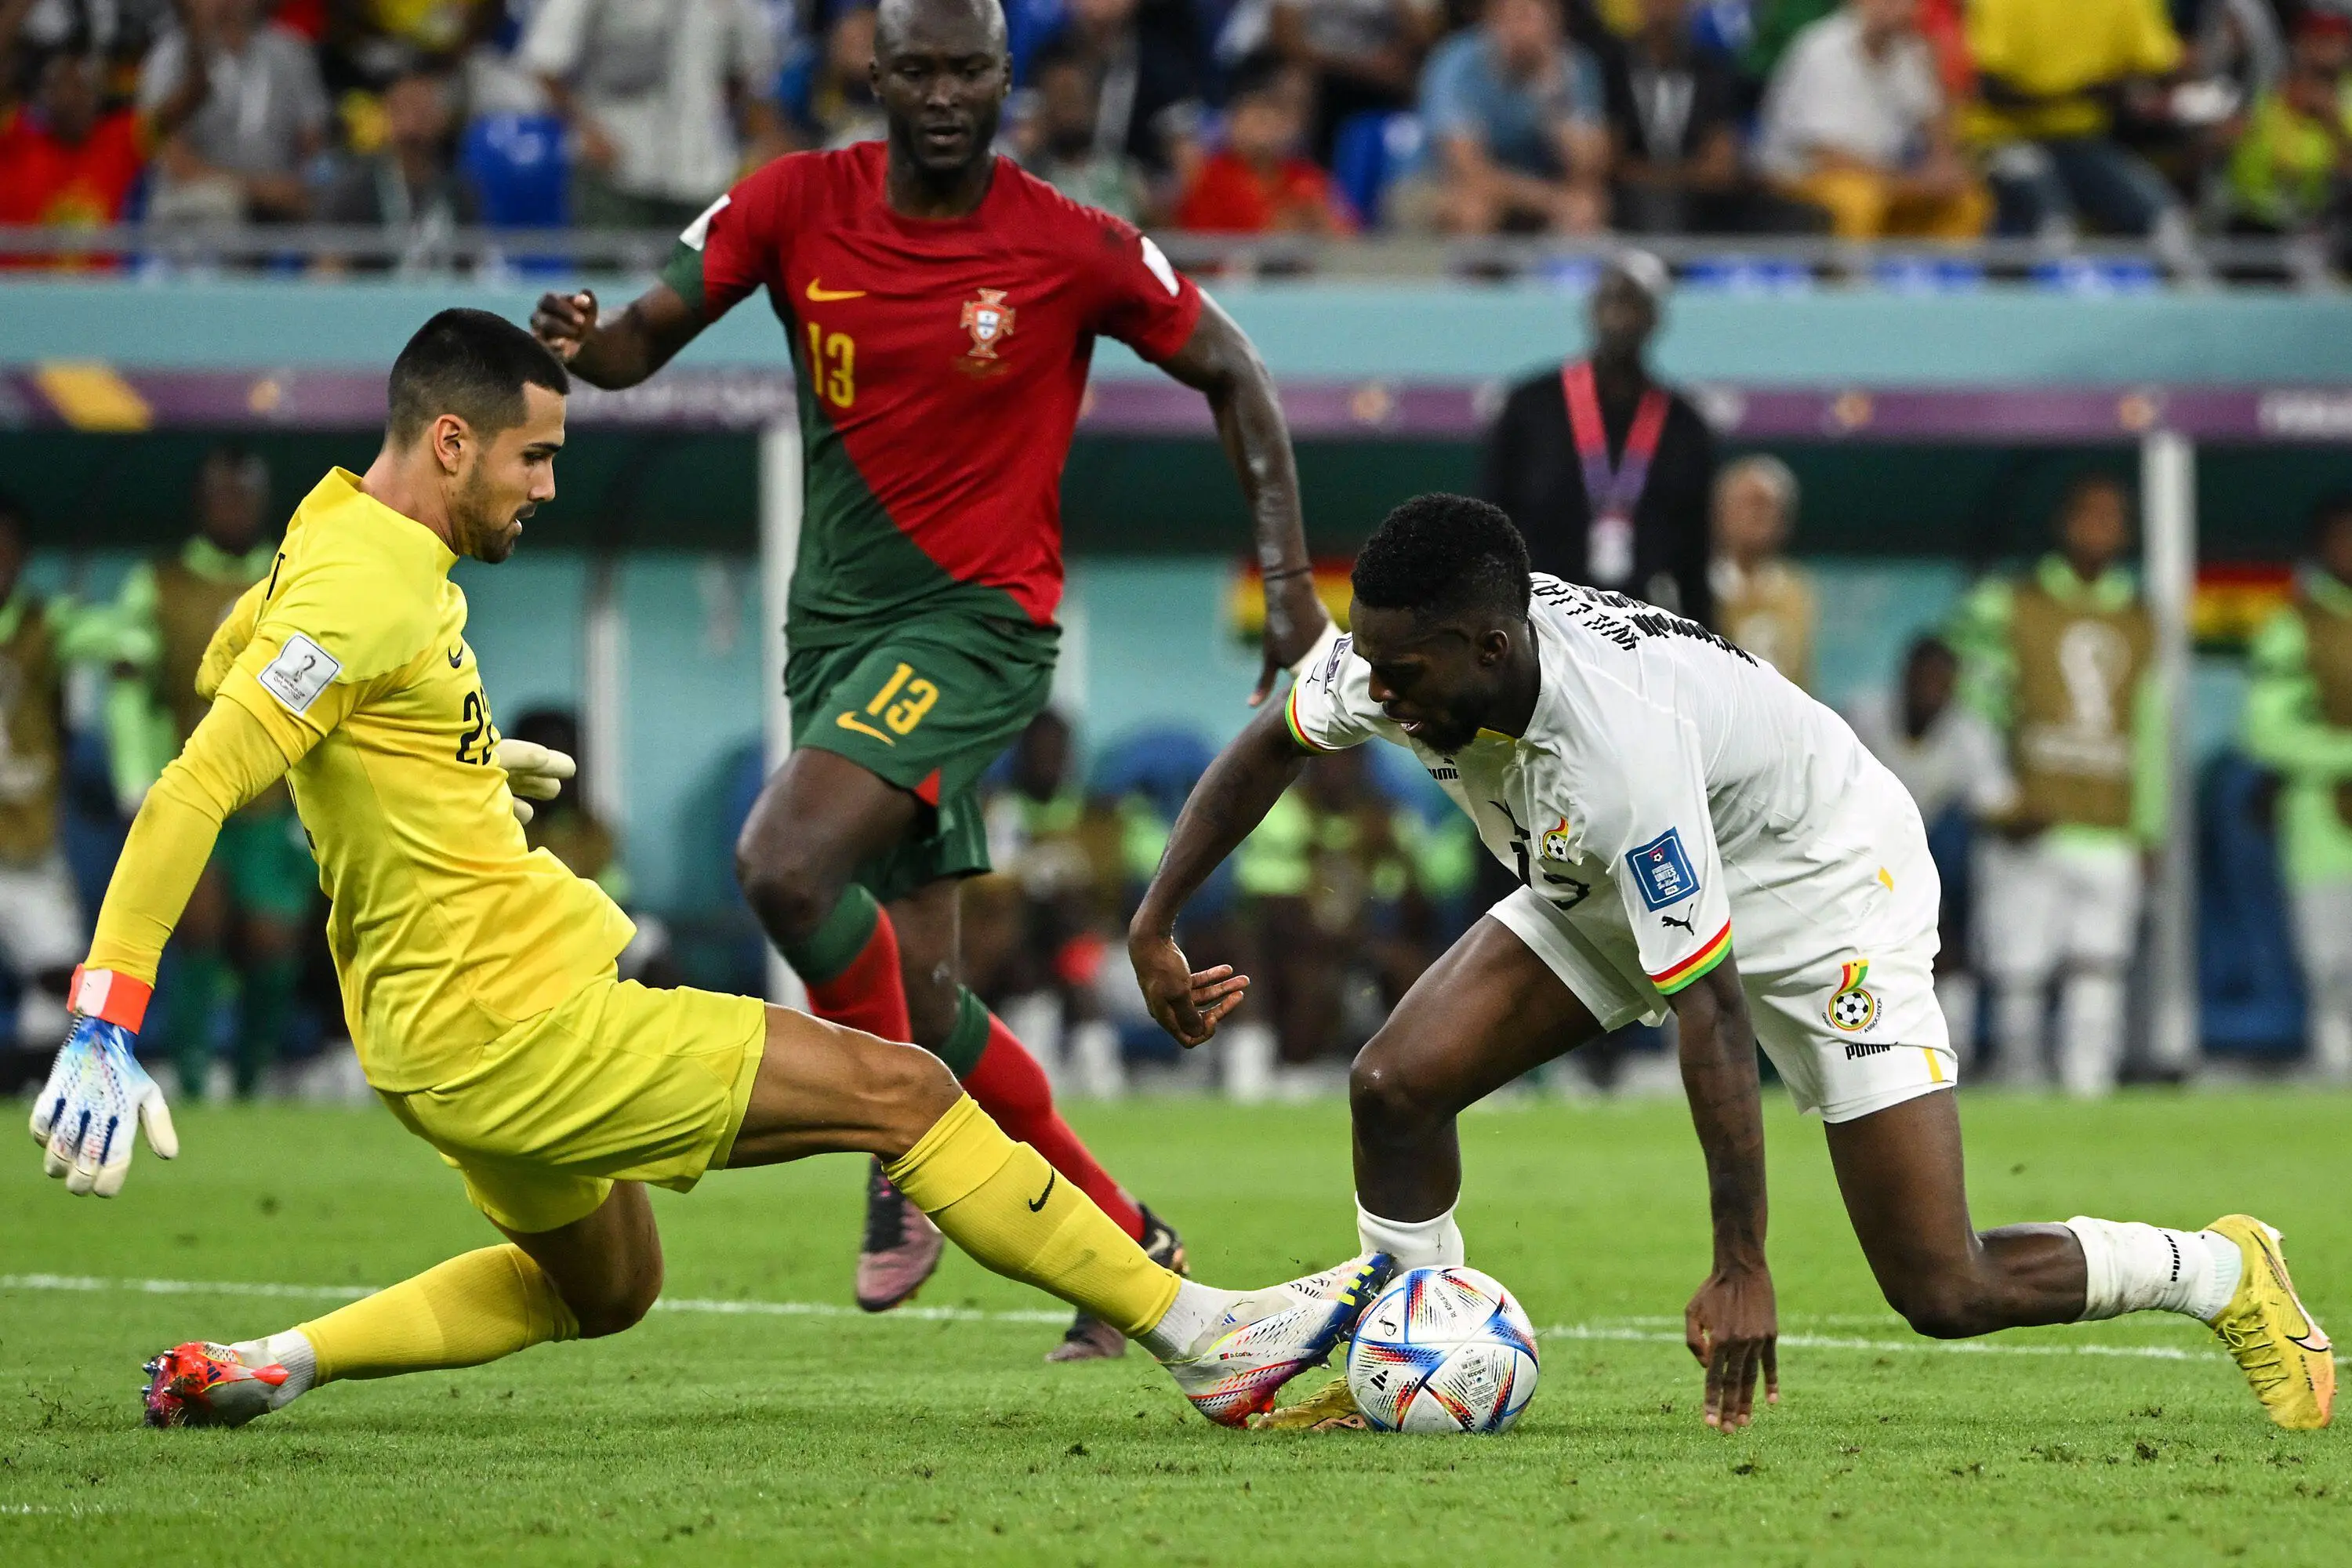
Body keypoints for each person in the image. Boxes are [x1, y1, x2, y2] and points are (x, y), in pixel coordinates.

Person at [28, 307, 1387, 1435]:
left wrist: (453, 763)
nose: (549, 489)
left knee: (604, 1289)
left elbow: (262, 697)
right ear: (451, 441)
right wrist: (107, 1013)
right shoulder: (363, 589)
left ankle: (277, 1362)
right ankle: (1206, 1335)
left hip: (433, 1053)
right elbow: (201, 776)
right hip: (514, 1028)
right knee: (905, 1087)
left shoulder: (338, 542)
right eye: (534, 458)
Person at [1128, 493, 2333, 1436]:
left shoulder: (1620, 749)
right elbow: (1271, 741)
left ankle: (2221, 1269)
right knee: (1393, 1085)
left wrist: (1741, 1264)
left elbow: (1708, 1007)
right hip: (1606, 873)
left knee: (1943, 1286)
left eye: (1405, 681)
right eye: (1372, 673)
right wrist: (1157, 920)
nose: (1380, 699)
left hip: (1818, 886)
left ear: (1492, 647)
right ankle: (1403, 1338)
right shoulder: (1400, 651)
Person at [527, 0, 1331, 1362]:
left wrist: (1292, 581)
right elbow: (644, 338)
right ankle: (1126, 1245)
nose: (946, 93)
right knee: (928, 994)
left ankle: (896, 1153)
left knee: (785, 865)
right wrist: (581, 340)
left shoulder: (1070, 243)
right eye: (920, 68)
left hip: (978, 630)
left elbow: (1234, 370)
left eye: (972, 68)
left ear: (1009, 77)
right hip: (836, 636)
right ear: (874, 71)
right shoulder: (793, 205)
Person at [109, 447, 314, 1102]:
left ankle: (253, 1081)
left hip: (276, 797)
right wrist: (133, 777)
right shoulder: (159, 584)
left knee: (271, 941)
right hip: (193, 786)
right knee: (196, 923)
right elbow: (128, 690)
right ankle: (195, 1083)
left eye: (244, 495)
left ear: (263, 501)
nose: (233, 507)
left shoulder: (297, 575)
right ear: (202, 502)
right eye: (221, 495)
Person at [1948, 474, 2162, 1096]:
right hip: (2032, 819)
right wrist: (1996, 799)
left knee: (2100, 964)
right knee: (2020, 967)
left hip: (2107, 820)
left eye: (2112, 517)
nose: (2100, 529)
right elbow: (1973, 709)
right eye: (2088, 514)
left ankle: (2088, 1091)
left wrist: (2149, 826)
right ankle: (2022, 1085)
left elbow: (2149, 730)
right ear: (2063, 523)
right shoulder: (2009, 603)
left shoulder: (2140, 616)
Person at [1480, 252, 1715, 626]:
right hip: (1540, 619)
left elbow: (1695, 552)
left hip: (1641, 625)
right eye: (1609, 301)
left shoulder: (1683, 425)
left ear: (1655, 319)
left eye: (1631, 303)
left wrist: (1706, 637)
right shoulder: (1531, 406)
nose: (1618, 315)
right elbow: (1490, 520)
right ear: (1590, 312)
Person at [1846, 634, 2016, 1067]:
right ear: (1904, 678)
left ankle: (1955, 1043)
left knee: (1958, 841)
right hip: (1868, 856)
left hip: (1936, 862)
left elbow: (1994, 805)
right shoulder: (1863, 719)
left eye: (1942, 685)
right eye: (1924, 681)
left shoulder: (1968, 733)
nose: (1930, 693)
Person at [2241, 494, 2352, 1084]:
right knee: (2330, 963)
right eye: (2341, 537)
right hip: (2321, 820)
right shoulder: (2293, 626)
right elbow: (2264, 731)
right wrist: (2342, 757)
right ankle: (2337, 1077)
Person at [520, 0, 786, 230]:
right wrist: (584, 129)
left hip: (703, 171)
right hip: (618, 168)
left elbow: (752, 73)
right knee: (607, 281)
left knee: (699, 285)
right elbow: (545, 64)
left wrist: (763, 138)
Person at [1754, 0, 1988, 241]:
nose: (1901, 8)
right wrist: (1908, 182)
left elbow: (1931, 119)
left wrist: (1943, 163)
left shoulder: (1907, 50)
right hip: (1800, 178)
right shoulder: (1821, 47)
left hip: (1882, 178)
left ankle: (1938, 278)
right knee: (1860, 201)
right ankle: (1848, 280)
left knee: (1967, 199)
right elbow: (1826, 155)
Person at [1962, 0, 2187, 241]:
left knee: (2167, 222)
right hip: (2001, 140)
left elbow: (2159, 69)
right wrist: (2078, 93)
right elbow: (1987, 87)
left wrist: (2126, 89)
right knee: (2052, 225)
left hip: (2082, 143)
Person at [1390, 0, 1609, 236]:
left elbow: (1588, 167)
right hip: (1436, 183)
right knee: (1475, 209)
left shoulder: (1574, 66)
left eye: (1543, 16)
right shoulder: (1456, 63)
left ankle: (1557, 273)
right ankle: (1463, 273)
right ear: (1493, 19)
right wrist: (1551, 201)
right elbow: (1469, 170)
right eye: (1520, 15)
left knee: (1585, 207)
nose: (1531, 27)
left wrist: (1553, 92)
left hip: (1532, 188)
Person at [136, 0, 331, 223]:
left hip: (282, 198)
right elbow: (173, 161)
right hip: (197, 200)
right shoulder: (170, 56)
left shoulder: (291, 52)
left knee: (333, 204)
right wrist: (258, 191)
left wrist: (309, 184)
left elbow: (314, 145)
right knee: (218, 205)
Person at [1602, 0, 1748, 236]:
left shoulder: (1711, 71)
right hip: (1625, 199)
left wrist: (1655, 176)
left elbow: (1720, 169)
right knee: (1653, 208)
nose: (1662, 7)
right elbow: (1608, 162)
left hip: (1700, 202)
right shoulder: (1613, 67)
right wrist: (1685, 174)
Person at [1173, 54, 1354, 234]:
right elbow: (1198, 250)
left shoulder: (1308, 178)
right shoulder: (1207, 176)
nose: (1262, 130)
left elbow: (1352, 240)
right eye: (1253, 117)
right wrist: (1276, 229)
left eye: (1270, 117)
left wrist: (1320, 218)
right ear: (1233, 119)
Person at [321, 69, 480, 267]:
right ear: (386, 116)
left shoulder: (460, 192)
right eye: (401, 110)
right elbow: (327, 271)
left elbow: (476, 267)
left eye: (422, 112)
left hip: (442, 294)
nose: (411, 123)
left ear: (442, 119)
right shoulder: (353, 189)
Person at [0, 49, 147, 260]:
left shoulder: (120, 141)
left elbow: (188, 99)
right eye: (68, 87)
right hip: (21, 288)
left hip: (98, 290)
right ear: (46, 96)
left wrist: (198, 43)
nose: (79, 98)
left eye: (85, 89)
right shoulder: (15, 140)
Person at [1013, 36, 1153, 222]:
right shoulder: (1026, 179)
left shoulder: (1126, 179)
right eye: (1060, 98)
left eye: (1075, 97)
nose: (1068, 111)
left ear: (1093, 103)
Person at [1707, 454, 1815, 691]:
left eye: (1766, 505)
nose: (1756, 516)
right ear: (1720, 513)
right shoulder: (1698, 588)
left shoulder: (1795, 592)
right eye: (1746, 504)